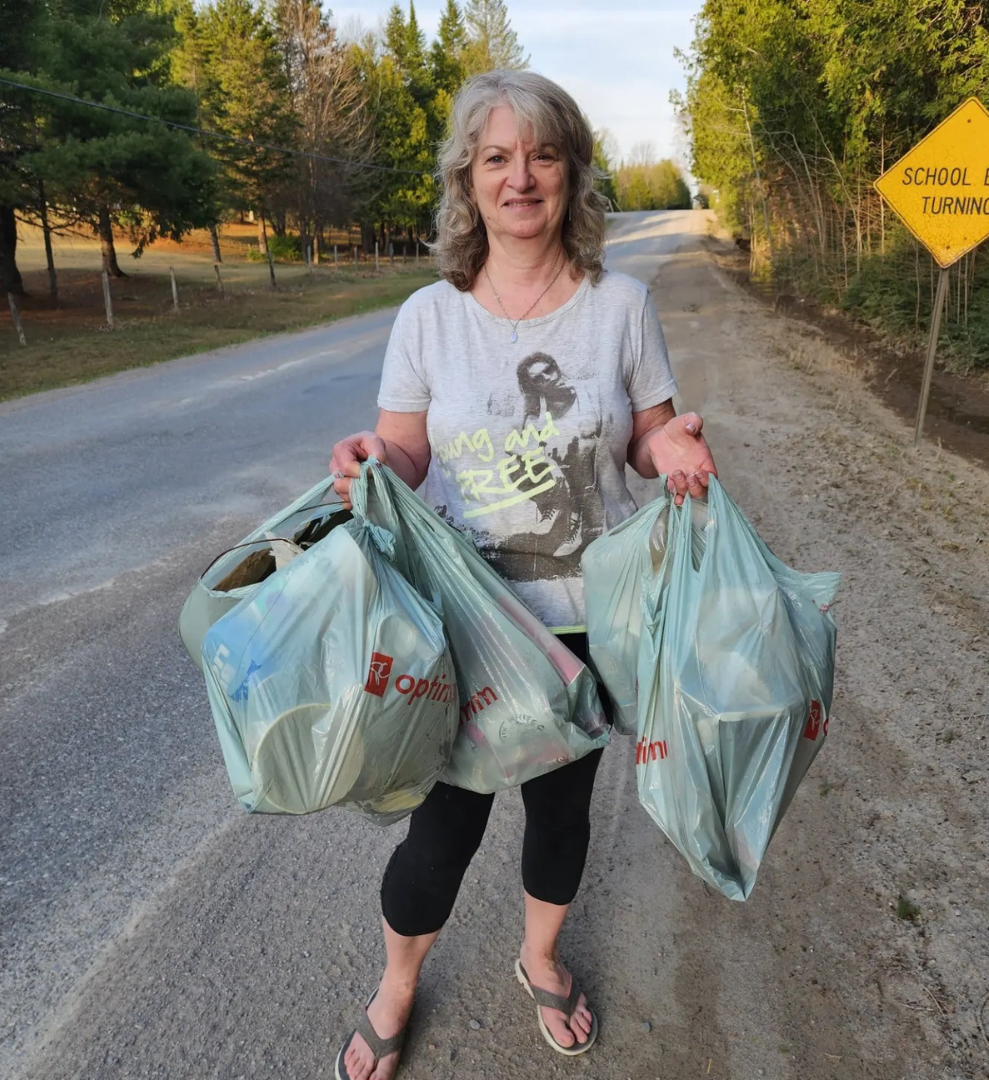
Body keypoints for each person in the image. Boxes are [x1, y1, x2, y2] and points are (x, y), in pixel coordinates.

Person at [329, 69, 717, 1080]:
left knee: (560, 816)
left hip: (585, 621)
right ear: (468, 179)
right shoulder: (429, 317)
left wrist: (671, 447)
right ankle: (397, 983)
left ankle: (539, 957)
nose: (521, 177)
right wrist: (374, 456)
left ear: (572, 172)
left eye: (543, 155)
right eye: (496, 157)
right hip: (467, 624)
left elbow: (646, 438)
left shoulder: (621, 306)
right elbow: (408, 453)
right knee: (440, 832)